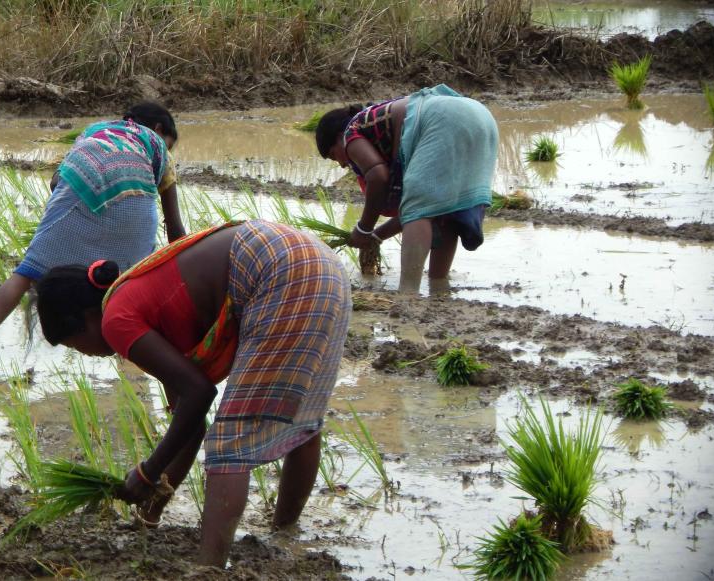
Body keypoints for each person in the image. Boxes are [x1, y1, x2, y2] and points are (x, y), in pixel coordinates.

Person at [34, 220, 351, 567]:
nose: (85, 354)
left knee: (230, 443)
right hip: (320, 262)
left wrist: (147, 471)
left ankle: (208, 569)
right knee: (302, 421)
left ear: (83, 319)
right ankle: (284, 535)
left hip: (279, 269)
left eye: (73, 344)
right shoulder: (143, 300)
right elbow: (190, 422)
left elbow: (200, 394)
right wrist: (150, 509)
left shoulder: (117, 319)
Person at [0, 102, 186, 351]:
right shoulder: (157, 147)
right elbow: (175, 228)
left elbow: (56, 181)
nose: (167, 148)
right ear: (158, 129)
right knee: (130, 288)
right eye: (169, 142)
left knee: (28, 271)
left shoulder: (96, 130)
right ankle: (133, 367)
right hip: (135, 204)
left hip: (80, 190)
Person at [315, 84, 498, 292]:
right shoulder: (385, 131)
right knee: (445, 211)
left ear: (338, 137)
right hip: (481, 116)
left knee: (419, 209)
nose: (341, 164)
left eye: (333, 155)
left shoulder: (351, 132)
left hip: (442, 120)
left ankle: (407, 295)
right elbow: (416, 210)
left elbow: (378, 176)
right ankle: (439, 286)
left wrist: (363, 229)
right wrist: (375, 237)